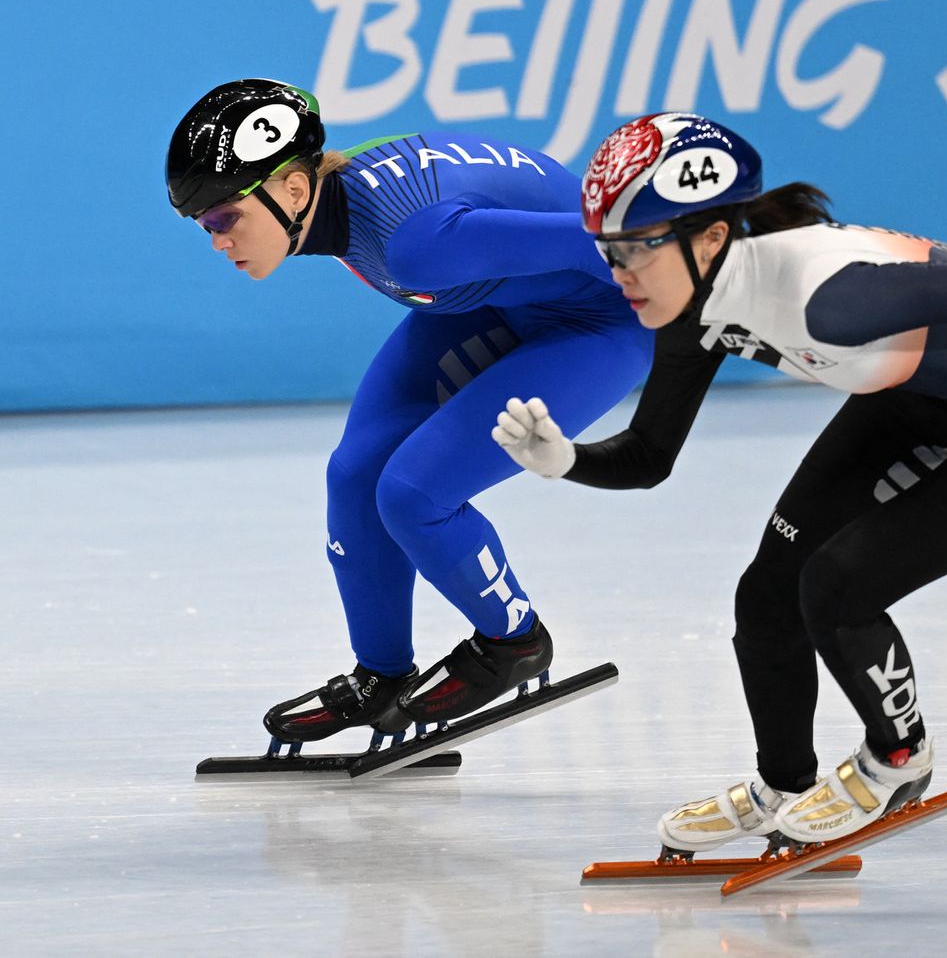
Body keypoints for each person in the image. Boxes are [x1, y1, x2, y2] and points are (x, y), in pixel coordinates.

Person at [491, 112, 947, 849]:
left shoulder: (829, 299)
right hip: (914, 398)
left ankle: (901, 759)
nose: (618, 275)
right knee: (767, 593)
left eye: (635, 250)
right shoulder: (688, 306)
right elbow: (650, 455)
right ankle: (783, 782)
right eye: (608, 253)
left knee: (839, 588)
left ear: (711, 237)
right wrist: (567, 461)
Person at [165, 79, 653, 744]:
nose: (217, 239)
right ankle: (382, 676)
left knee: (414, 493)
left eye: (224, 217)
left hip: (600, 320)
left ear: (295, 190)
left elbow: (613, 238)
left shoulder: (413, 241)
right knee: (355, 476)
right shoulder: (345, 207)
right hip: (499, 303)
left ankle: (514, 643)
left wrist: (737, 287)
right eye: (202, 226)